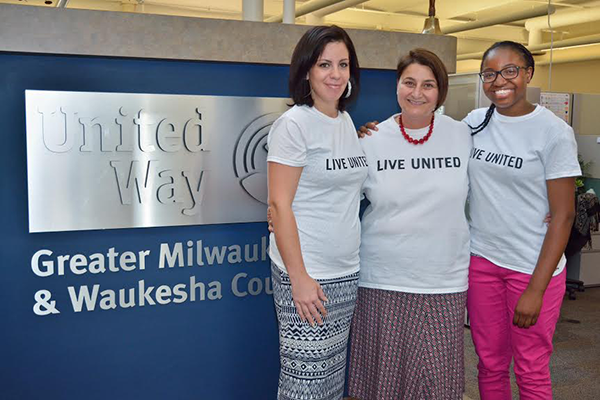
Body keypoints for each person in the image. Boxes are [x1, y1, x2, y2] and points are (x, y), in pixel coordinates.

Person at [347, 48, 472, 400]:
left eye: (428, 85)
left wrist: (546, 207)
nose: (417, 93)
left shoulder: (464, 135)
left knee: (436, 384)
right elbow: (339, 198)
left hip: (442, 280)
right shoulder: (370, 141)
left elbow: (494, 185)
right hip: (382, 277)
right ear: (397, 86)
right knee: (382, 384)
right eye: (409, 82)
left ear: (440, 92)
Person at [465, 41, 580, 400]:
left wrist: (535, 289)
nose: (499, 80)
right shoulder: (473, 122)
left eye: (510, 70)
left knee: (530, 368)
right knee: (490, 364)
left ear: (528, 74)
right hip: (482, 262)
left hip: (532, 268)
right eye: (489, 73)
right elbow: (424, 134)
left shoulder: (553, 132)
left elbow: (563, 215)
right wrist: (374, 132)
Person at [266, 25, 367, 400]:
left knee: (329, 380)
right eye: (325, 64)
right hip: (308, 276)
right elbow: (279, 205)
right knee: (304, 384)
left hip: (344, 271)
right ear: (306, 69)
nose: (335, 74)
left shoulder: (344, 122)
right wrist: (299, 278)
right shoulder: (293, 125)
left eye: (343, 64)